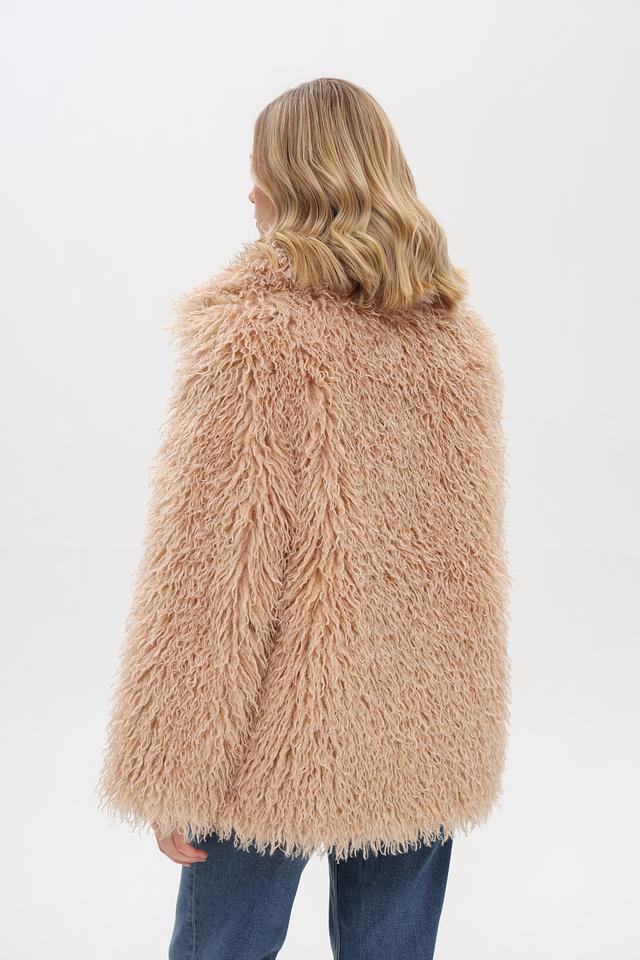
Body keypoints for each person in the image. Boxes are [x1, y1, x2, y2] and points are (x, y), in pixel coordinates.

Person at [97, 77, 510, 960]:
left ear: (298, 181)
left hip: (270, 736)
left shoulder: (253, 337)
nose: (249, 190)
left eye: (262, 168)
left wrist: (178, 764)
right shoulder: (454, 342)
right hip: (423, 729)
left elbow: (213, 572)